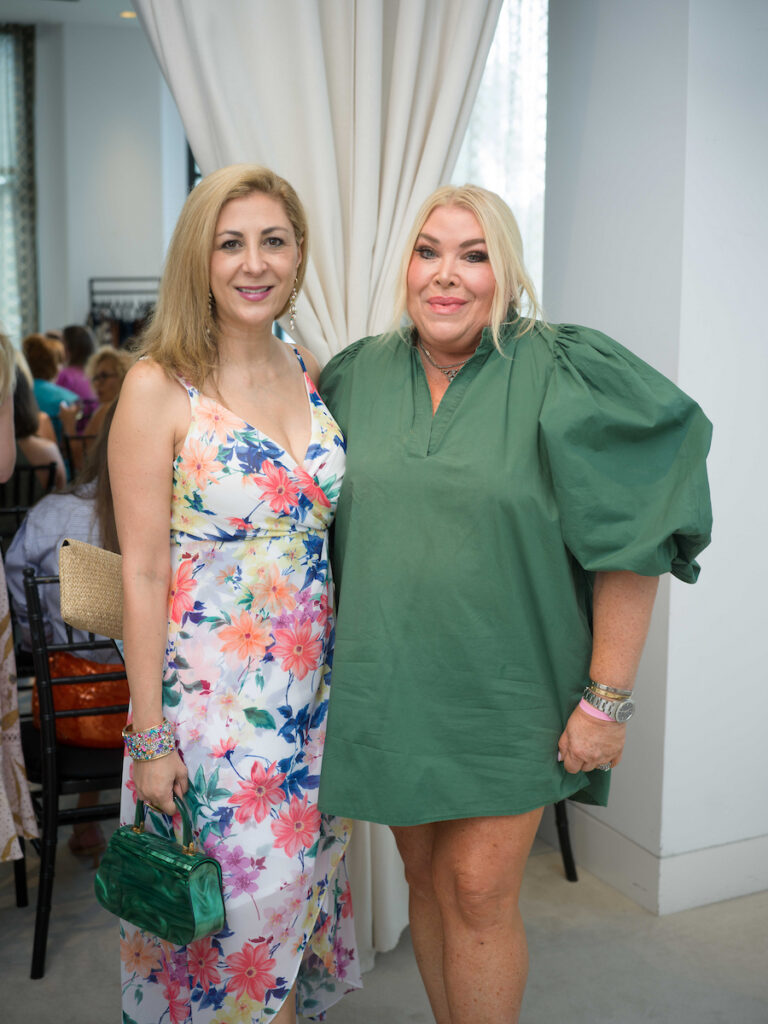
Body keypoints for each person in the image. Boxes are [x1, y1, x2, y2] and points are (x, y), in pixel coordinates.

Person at [316, 184, 713, 1024]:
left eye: (474, 254)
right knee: (427, 884)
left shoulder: (564, 370)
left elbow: (633, 541)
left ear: (508, 270)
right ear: (407, 267)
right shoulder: (354, 376)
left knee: (478, 891)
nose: (446, 276)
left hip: (509, 689)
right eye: (428, 252)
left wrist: (607, 697)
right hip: (387, 688)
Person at [109, 163, 359, 1024]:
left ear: (298, 257)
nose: (254, 263)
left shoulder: (310, 367)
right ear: (200, 260)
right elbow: (140, 572)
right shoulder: (158, 386)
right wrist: (148, 736)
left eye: (274, 241)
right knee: (227, 950)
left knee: (286, 941)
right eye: (231, 243)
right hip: (210, 729)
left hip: (312, 714)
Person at [6, 402, 126, 863]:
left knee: (71, 657)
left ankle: (87, 820)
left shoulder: (51, 516)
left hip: (69, 717)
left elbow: (20, 609)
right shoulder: (191, 523)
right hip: (161, 722)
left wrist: (48, 646)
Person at [61, 345, 132, 473]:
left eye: (104, 376)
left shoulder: (107, 410)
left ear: (123, 375)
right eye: (96, 377)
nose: (98, 383)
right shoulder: (127, 406)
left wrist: (69, 424)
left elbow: (82, 462)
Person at [21, 333, 79, 443]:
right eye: (60, 362)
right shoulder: (68, 399)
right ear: (55, 364)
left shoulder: (15, 394)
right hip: (56, 455)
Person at [57, 324, 99, 425]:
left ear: (68, 348)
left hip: (73, 432)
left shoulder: (65, 375)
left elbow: (57, 406)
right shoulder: (97, 374)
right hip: (94, 430)